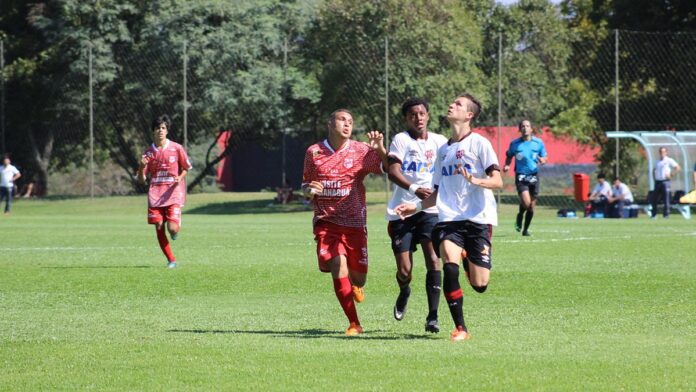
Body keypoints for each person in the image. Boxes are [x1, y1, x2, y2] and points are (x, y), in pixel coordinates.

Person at [395, 93, 503, 342]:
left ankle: (469, 259)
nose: (451, 105)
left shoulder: (479, 143)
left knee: (480, 284)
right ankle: (461, 328)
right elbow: (437, 191)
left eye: (458, 104)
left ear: (469, 115)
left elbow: (497, 180)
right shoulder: (443, 150)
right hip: (449, 220)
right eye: (451, 101)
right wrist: (415, 207)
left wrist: (477, 180)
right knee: (448, 267)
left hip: (478, 219)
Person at [302, 109, 387, 336]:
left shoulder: (361, 150)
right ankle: (354, 323)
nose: (347, 125)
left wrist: (379, 148)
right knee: (338, 264)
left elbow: (387, 167)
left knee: (359, 277)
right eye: (342, 120)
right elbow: (305, 185)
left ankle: (355, 284)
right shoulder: (314, 152)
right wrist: (309, 190)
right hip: (326, 222)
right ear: (330, 123)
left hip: (355, 224)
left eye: (350, 121)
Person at [386, 97, 448, 333]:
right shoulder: (401, 140)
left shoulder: (441, 142)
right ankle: (404, 290)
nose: (418, 118)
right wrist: (413, 189)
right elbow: (392, 171)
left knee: (434, 259)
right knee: (404, 271)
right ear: (406, 118)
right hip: (401, 212)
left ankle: (433, 316)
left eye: (422, 113)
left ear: (428, 115)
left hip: (430, 210)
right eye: (413, 114)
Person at [137, 115, 192, 268]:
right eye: (157, 128)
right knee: (159, 226)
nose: (160, 131)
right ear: (153, 131)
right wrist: (142, 167)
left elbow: (186, 168)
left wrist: (179, 178)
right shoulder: (148, 153)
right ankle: (171, 260)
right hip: (155, 196)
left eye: (163, 128)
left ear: (167, 131)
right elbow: (141, 180)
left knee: (172, 229)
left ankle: (175, 230)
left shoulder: (176, 148)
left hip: (173, 194)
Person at [503, 119, 547, 236]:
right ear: (519, 129)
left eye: (527, 126)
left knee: (531, 207)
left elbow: (544, 156)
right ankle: (520, 215)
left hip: (534, 175)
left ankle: (525, 230)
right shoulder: (515, 144)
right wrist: (507, 165)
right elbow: (509, 155)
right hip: (521, 175)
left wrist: (543, 160)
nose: (525, 128)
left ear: (531, 129)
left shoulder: (538, 143)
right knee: (526, 203)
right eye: (523, 126)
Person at [651, 147, 680, 219]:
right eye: (661, 152)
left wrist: (671, 175)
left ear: (666, 152)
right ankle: (654, 214)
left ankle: (666, 215)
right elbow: (654, 170)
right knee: (654, 199)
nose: (662, 153)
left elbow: (678, 167)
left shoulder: (669, 160)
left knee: (666, 199)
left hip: (665, 182)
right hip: (658, 182)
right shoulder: (657, 161)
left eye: (663, 152)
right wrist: (654, 178)